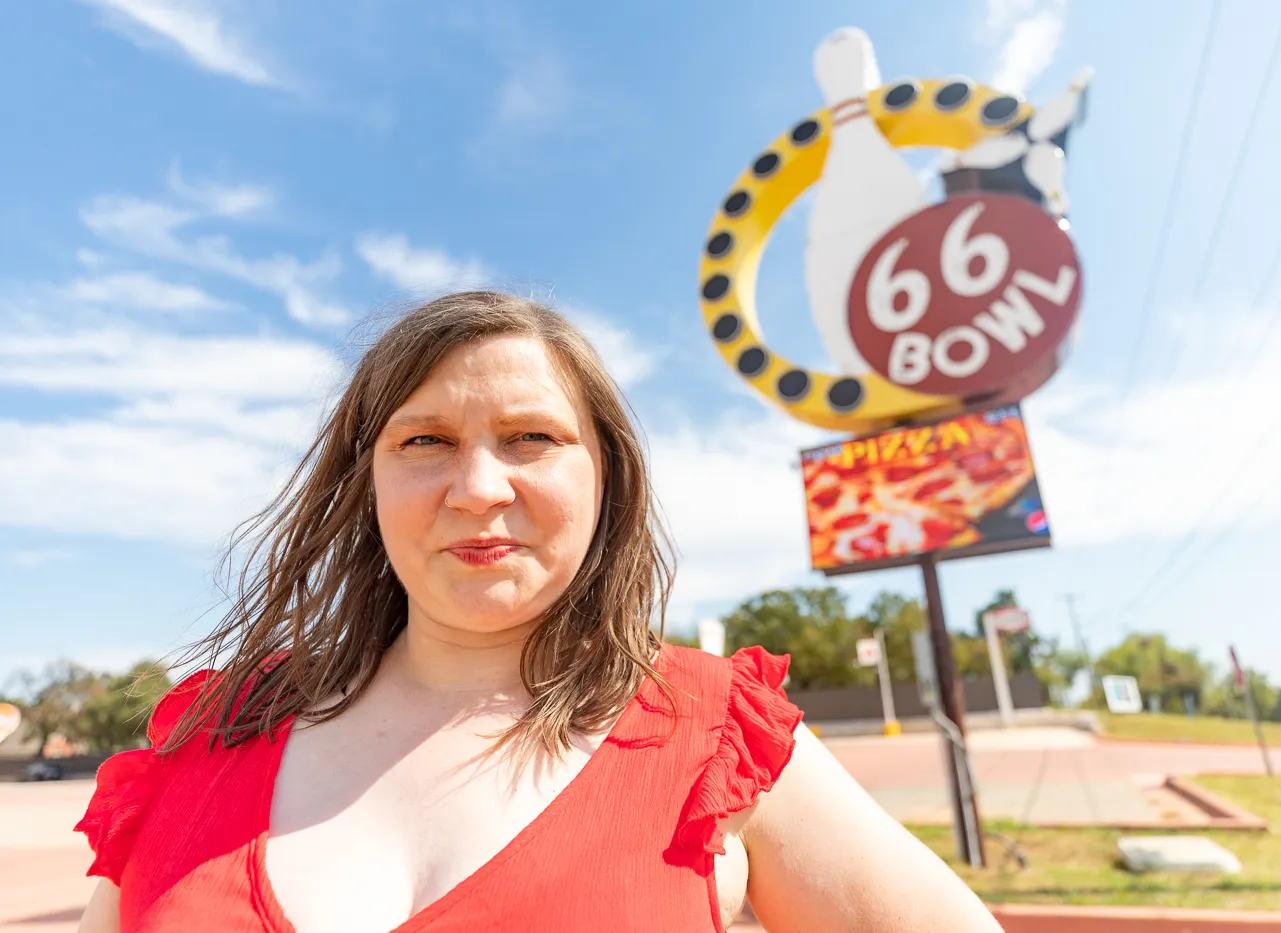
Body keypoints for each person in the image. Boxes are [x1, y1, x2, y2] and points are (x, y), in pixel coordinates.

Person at [75, 291, 1003, 933]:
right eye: (426, 440)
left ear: (606, 476)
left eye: (531, 437)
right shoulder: (206, 733)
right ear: (368, 484)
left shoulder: (716, 730)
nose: (478, 487)